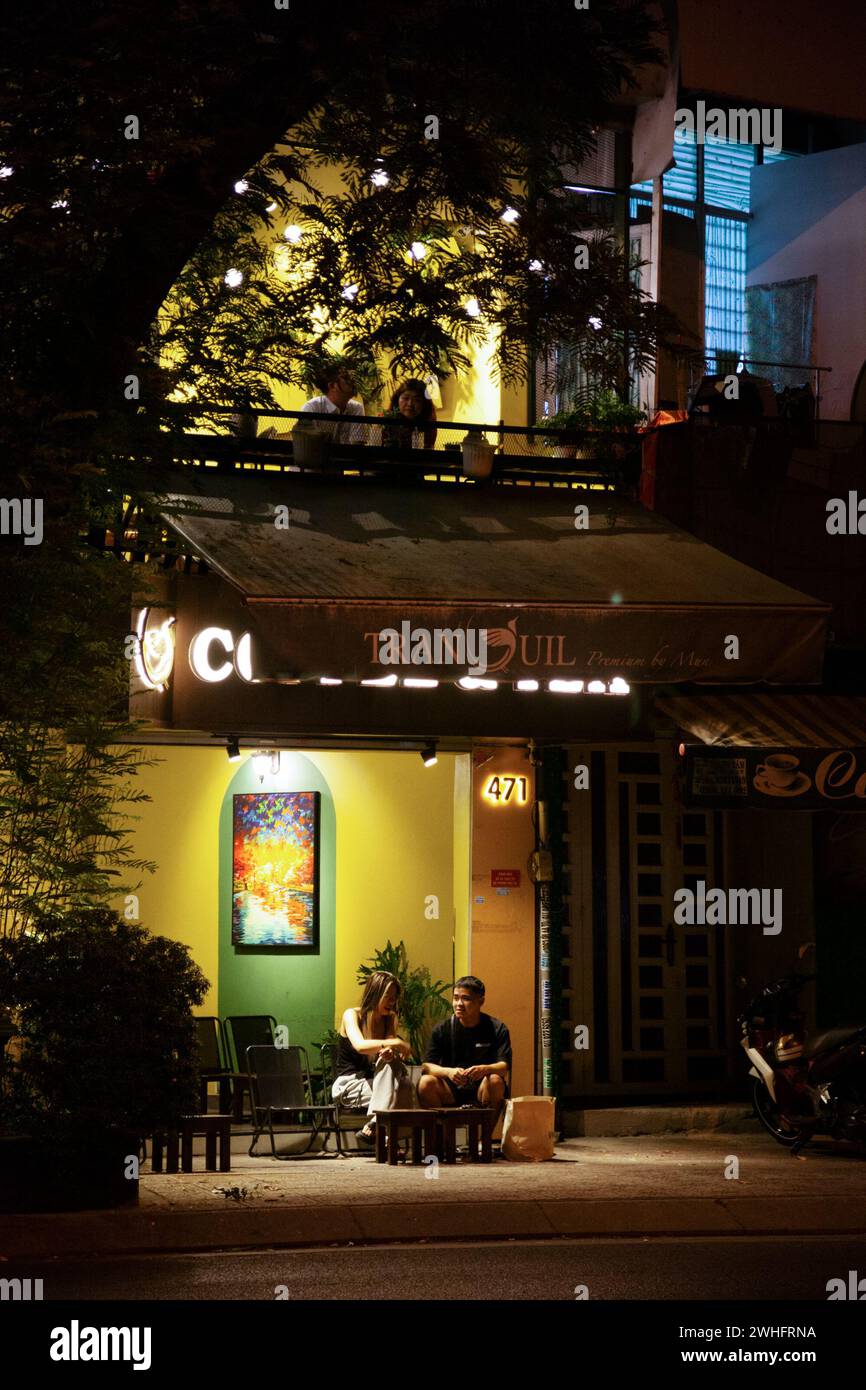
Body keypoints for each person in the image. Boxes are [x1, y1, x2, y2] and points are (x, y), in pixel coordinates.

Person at [332, 970, 414, 1147]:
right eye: (388, 997)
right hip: (349, 1084)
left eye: (394, 997)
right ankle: (390, 1140)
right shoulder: (352, 1015)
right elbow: (361, 1046)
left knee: (401, 1079)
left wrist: (390, 1051)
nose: (392, 1002)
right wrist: (395, 1043)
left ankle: (376, 1125)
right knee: (404, 1090)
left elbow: (389, 1050)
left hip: (377, 1083)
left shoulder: (390, 1019)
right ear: (375, 993)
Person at [419, 975, 511, 1121]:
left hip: (482, 1087)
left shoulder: (497, 1028)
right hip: (451, 1088)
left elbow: (504, 1066)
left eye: (466, 999)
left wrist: (485, 1069)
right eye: (456, 998)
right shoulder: (442, 1029)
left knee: (495, 1080)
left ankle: (485, 1139)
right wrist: (449, 1072)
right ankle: (445, 1138)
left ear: (481, 1001)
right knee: (425, 1083)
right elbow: (426, 1066)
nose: (459, 1004)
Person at [297, 365, 366, 444]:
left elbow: (358, 445)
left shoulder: (356, 408)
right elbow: (307, 446)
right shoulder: (312, 408)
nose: (352, 382)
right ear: (332, 386)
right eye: (346, 379)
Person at [384, 378, 437, 450]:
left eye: (417, 400)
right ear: (397, 399)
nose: (410, 404)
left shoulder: (429, 425)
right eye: (405, 398)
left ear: (424, 404)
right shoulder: (385, 421)